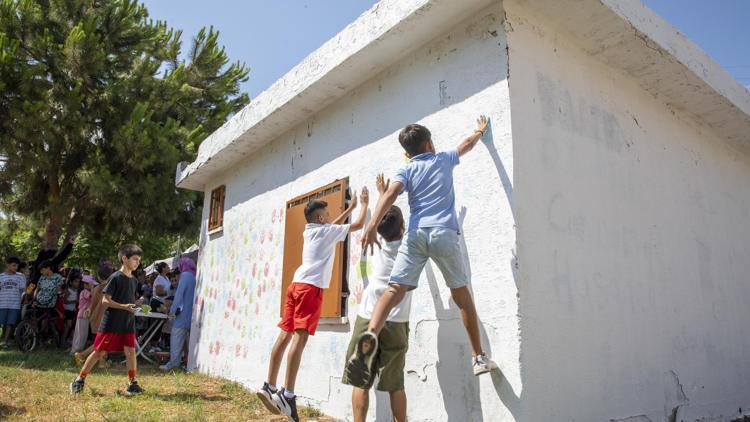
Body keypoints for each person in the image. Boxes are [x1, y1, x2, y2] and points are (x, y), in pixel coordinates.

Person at [352, 116, 499, 380]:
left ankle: (369, 337)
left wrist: (371, 225)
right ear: (430, 143)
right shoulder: (442, 159)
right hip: (443, 234)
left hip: (416, 235)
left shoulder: (406, 170)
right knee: (462, 297)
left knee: (394, 290)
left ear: (407, 154)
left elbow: (390, 194)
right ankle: (478, 358)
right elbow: (466, 144)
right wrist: (479, 130)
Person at [257, 188, 369, 422]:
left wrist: (347, 209)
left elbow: (332, 228)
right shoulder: (326, 230)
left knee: (284, 335)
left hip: (295, 285)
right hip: (310, 289)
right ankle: (287, 394)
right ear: (321, 219)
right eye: (327, 214)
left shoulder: (311, 231)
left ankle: (269, 385)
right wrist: (364, 205)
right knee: (300, 338)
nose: (330, 216)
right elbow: (357, 226)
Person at [342, 175, 412, 422]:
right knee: (395, 384)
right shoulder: (409, 248)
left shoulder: (375, 243)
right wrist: (384, 193)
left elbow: (381, 222)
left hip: (368, 316)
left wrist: (377, 196)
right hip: (396, 321)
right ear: (403, 228)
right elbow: (391, 223)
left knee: (361, 380)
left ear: (378, 230)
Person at [70, 244, 144, 396]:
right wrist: (125, 306)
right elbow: (105, 301)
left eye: (139, 260)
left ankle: (132, 383)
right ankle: (79, 380)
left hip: (127, 322)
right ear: (124, 259)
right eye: (135, 259)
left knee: (131, 352)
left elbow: (128, 300)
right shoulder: (115, 277)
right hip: (111, 323)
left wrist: (137, 304)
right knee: (99, 352)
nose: (137, 262)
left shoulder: (134, 281)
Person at [74, 261, 114, 367]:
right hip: (104, 318)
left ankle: (101, 362)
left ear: (99, 277)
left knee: (102, 341)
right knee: (102, 342)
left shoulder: (96, 288)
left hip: (95, 317)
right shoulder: (110, 288)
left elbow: (92, 304)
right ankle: (82, 355)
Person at [160, 257, 196, 371]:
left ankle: (173, 364)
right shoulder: (194, 275)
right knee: (189, 342)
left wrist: (172, 310)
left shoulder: (185, 276)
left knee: (175, 339)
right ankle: (188, 364)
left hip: (182, 314)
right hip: (192, 314)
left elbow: (179, 295)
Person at [0, 257, 26, 348]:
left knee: (10, 323)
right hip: (2, 303)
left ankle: (5, 342)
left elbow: (23, 290)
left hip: (15, 304)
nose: (16, 267)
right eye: (14, 265)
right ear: (7, 265)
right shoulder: (1, 276)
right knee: (2, 322)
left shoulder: (20, 276)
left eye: (17, 265)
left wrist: (25, 297)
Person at [71, 275, 96, 353]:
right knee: (81, 334)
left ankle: (77, 349)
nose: (93, 286)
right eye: (91, 284)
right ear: (85, 284)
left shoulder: (85, 291)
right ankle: (77, 350)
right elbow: (93, 296)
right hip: (83, 315)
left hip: (84, 315)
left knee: (82, 333)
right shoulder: (85, 292)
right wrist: (92, 287)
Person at [61, 270, 82, 347]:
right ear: (71, 282)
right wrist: (75, 301)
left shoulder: (77, 291)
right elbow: (65, 301)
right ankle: (62, 342)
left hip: (73, 310)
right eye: (76, 281)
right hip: (67, 310)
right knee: (68, 326)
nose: (77, 283)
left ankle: (68, 340)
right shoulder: (68, 290)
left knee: (71, 326)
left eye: (78, 282)